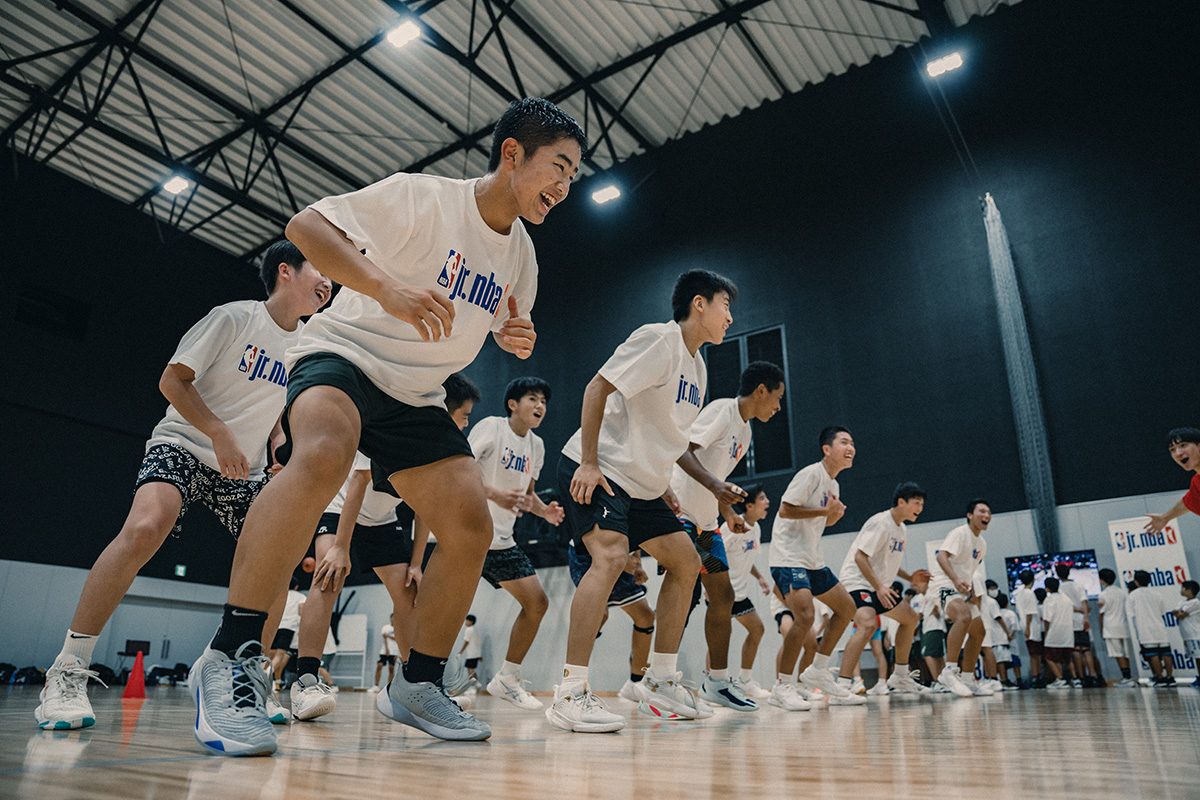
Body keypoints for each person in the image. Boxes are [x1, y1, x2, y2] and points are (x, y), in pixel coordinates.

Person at [188, 97, 587, 755]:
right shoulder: (424, 198)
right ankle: (229, 658)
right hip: (343, 357)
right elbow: (306, 226)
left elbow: (496, 319)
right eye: (559, 167)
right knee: (322, 456)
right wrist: (384, 288)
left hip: (416, 394)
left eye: (573, 175)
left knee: (469, 525)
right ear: (513, 154)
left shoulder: (522, 256)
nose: (565, 186)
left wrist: (511, 335)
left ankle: (418, 683)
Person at [34, 242, 330, 732]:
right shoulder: (233, 318)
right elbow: (172, 381)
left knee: (277, 562)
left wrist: (280, 446)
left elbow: (275, 413)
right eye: (320, 268)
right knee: (145, 528)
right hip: (185, 443)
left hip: (244, 468)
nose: (329, 281)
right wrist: (218, 432)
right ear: (286, 271)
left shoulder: (305, 346)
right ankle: (67, 670)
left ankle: (244, 672)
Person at [547, 269, 737, 732]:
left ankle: (661, 680)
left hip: (645, 486)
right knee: (610, 557)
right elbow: (597, 387)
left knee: (687, 562)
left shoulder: (698, 367)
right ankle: (570, 691)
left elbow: (668, 436)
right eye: (726, 305)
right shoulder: (659, 340)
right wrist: (589, 461)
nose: (730, 317)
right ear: (699, 303)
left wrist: (666, 482)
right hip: (600, 468)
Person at [670, 360, 786, 711]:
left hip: (707, 524)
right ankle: (656, 680)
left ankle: (717, 682)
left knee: (722, 596)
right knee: (684, 597)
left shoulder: (745, 433)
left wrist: (729, 513)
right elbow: (682, 450)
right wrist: (716, 486)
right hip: (682, 515)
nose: (778, 407)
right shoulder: (723, 411)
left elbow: (715, 480)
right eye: (777, 398)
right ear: (761, 391)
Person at [289, 440, 427, 721]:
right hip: (341, 505)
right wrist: (340, 547)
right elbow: (358, 480)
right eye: (463, 418)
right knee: (328, 578)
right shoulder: (396, 427)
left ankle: (415, 685)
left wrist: (416, 564)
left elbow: (426, 507)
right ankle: (305, 681)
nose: (465, 424)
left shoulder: (437, 450)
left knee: (408, 593)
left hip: (381, 520)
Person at [469, 377, 564, 711]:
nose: (540, 406)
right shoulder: (491, 428)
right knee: (451, 613)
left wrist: (544, 511)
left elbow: (527, 496)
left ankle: (507, 679)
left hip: (501, 541)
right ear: (512, 404)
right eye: (532, 399)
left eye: (544, 401)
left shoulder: (536, 446)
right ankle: (427, 682)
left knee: (537, 603)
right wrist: (494, 494)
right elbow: (460, 471)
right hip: (468, 534)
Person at [768, 426, 865, 709]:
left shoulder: (833, 485)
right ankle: (782, 686)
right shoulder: (811, 474)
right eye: (844, 442)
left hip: (812, 559)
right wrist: (825, 511)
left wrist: (834, 515)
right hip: (788, 557)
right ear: (827, 449)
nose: (851, 448)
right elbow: (785, 509)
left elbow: (824, 521)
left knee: (846, 608)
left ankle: (818, 671)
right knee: (805, 617)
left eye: (852, 443)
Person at [835, 482, 931, 696]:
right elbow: (860, 557)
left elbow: (886, 563)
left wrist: (909, 577)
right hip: (857, 582)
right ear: (901, 502)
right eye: (916, 503)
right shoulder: (880, 522)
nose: (920, 508)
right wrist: (879, 587)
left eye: (922, 504)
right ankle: (842, 686)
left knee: (910, 618)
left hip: (878, 586)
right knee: (868, 624)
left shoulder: (902, 528)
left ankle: (900, 676)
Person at [566, 543, 657, 702]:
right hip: (588, 554)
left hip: (619, 555)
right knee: (599, 615)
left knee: (645, 616)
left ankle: (635, 684)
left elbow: (635, 534)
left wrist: (637, 565)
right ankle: (572, 684)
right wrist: (619, 558)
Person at [926, 499, 993, 697]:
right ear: (969, 515)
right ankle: (949, 672)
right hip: (942, 585)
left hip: (961, 589)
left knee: (979, 631)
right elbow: (941, 556)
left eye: (989, 512)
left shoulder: (982, 544)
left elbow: (969, 570)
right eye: (982, 511)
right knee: (963, 616)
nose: (986, 515)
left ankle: (968, 679)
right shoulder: (960, 533)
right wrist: (955, 580)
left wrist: (969, 590)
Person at [717, 485, 774, 700]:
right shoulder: (731, 525)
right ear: (749, 505)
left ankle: (745, 681)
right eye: (762, 498)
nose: (767, 502)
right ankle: (712, 683)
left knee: (757, 629)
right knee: (719, 638)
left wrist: (759, 577)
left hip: (739, 593)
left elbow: (745, 556)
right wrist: (710, 588)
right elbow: (714, 552)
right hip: (722, 590)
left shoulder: (755, 528)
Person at [1144, 427, 1200, 534]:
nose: (1178, 453)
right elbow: (1190, 501)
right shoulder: (1197, 482)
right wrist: (1165, 517)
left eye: (1183, 445)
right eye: (1172, 450)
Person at [1127, 570, 1176, 687]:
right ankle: (1170, 678)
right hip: (1160, 627)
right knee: (1166, 654)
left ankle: (1160, 678)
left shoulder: (1132, 595)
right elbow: (1163, 612)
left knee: (1153, 654)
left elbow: (1130, 614)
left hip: (1145, 629)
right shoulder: (1157, 594)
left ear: (1136, 581)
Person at [1055, 563, 1098, 688]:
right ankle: (1092, 676)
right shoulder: (1078, 585)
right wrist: (1085, 616)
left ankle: (1081, 677)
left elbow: (1065, 605)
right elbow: (1084, 602)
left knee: (1076, 650)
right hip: (1082, 620)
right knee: (1086, 650)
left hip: (1069, 621)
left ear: (1057, 575)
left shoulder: (1059, 588)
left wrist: (1077, 610)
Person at [1097, 568, 1135, 687]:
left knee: (1118, 653)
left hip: (1111, 627)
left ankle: (1126, 678)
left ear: (1102, 580)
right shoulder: (1122, 592)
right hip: (1124, 626)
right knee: (1125, 653)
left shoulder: (1103, 595)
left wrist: (1101, 630)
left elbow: (1101, 614)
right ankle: (1128, 677)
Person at [271, 576, 305, 686]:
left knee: (271, 657)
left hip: (275, 627)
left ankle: (276, 682)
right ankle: (264, 676)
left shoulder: (279, 595)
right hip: (288, 627)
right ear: (296, 586)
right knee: (279, 657)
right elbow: (302, 612)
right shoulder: (300, 596)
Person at [1041, 577, 1075, 689]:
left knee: (1049, 656)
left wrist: (1046, 633)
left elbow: (1047, 619)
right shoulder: (1066, 598)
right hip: (1068, 631)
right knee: (1066, 658)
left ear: (1047, 588)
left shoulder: (1049, 600)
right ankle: (1075, 679)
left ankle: (1059, 679)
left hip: (1055, 631)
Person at [1014, 569, 1044, 687]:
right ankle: (1036, 677)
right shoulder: (1030, 593)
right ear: (1033, 579)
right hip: (1032, 628)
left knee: (1034, 654)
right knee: (1035, 654)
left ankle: (1036, 676)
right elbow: (1030, 612)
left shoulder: (1020, 594)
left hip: (1027, 626)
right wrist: (1028, 628)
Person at [1172, 580, 1200, 687]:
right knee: (1196, 658)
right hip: (1187, 635)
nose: (1181, 590)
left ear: (1189, 590)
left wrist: (1179, 612)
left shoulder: (1196, 603)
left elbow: (1181, 615)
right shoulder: (1182, 602)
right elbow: (1174, 612)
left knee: (1199, 657)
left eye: (1182, 588)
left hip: (1196, 635)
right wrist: (1178, 612)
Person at [996, 594, 1020, 688]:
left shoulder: (997, 613)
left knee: (1002, 661)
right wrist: (1010, 636)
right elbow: (1014, 627)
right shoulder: (1011, 613)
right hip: (1011, 640)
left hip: (1001, 640)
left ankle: (1005, 679)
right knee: (1015, 662)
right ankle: (1018, 679)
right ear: (1007, 603)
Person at [372, 615, 398, 693]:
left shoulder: (398, 629)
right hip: (384, 651)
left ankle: (390, 688)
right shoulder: (386, 627)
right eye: (392, 618)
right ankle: (376, 686)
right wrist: (387, 649)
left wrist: (388, 635)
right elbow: (385, 637)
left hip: (394, 652)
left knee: (391, 668)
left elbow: (397, 638)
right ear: (390, 619)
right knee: (379, 665)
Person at [459, 615, 482, 685]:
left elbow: (466, 641)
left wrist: (461, 652)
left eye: (467, 621)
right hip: (476, 653)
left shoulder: (469, 630)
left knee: (470, 670)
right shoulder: (476, 629)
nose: (466, 622)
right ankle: (477, 684)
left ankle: (472, 686)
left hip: (471, 653)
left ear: (471, 622)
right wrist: (479, 655)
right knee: (471, 669)